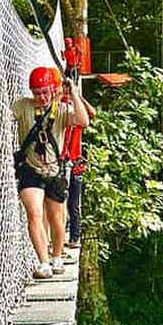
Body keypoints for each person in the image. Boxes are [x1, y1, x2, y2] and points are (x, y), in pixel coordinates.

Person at [11, 66, 90, 279]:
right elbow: (5, 116)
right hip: (31, 169)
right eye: (37, 93)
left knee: (57, 217)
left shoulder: (62, 109)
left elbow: (84, 121)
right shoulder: (23, 106)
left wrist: (73, 93)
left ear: (53, 90)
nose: (41, 97)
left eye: (45, 92)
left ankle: (56, 256)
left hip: (55, 171)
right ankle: (43, 262)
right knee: (34, 213)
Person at [62, 98, 96, 248]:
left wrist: (77, 95)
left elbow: (92, 114)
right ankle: (63, 234)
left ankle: (74, 237)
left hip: (75, 165)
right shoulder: (61, 109)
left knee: (73, 204)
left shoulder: (79, 115)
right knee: (59, 202)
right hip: (60, 163)